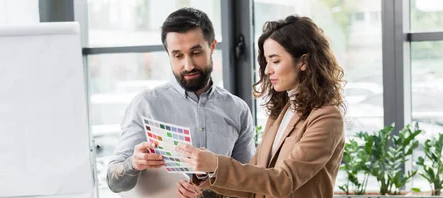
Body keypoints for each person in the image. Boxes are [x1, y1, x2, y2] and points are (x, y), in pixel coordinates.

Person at [176, 15, 346, 198]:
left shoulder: (327, 117)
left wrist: (216, 164)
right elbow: (254, 184)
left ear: (303, 62)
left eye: (276, 61)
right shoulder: (281, 112)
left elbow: (284, 181)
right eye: (266, 61)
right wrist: (207, 174)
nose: (267, 70)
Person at [105, 7, 256, 198]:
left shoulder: (237, 110)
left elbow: (248, 185)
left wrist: (206, 194)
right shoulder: (146, 105)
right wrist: (133, 163)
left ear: (212, 47)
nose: (188, 65)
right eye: (178, 55)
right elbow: (114, 182)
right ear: (168, 54)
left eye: (196, 52)